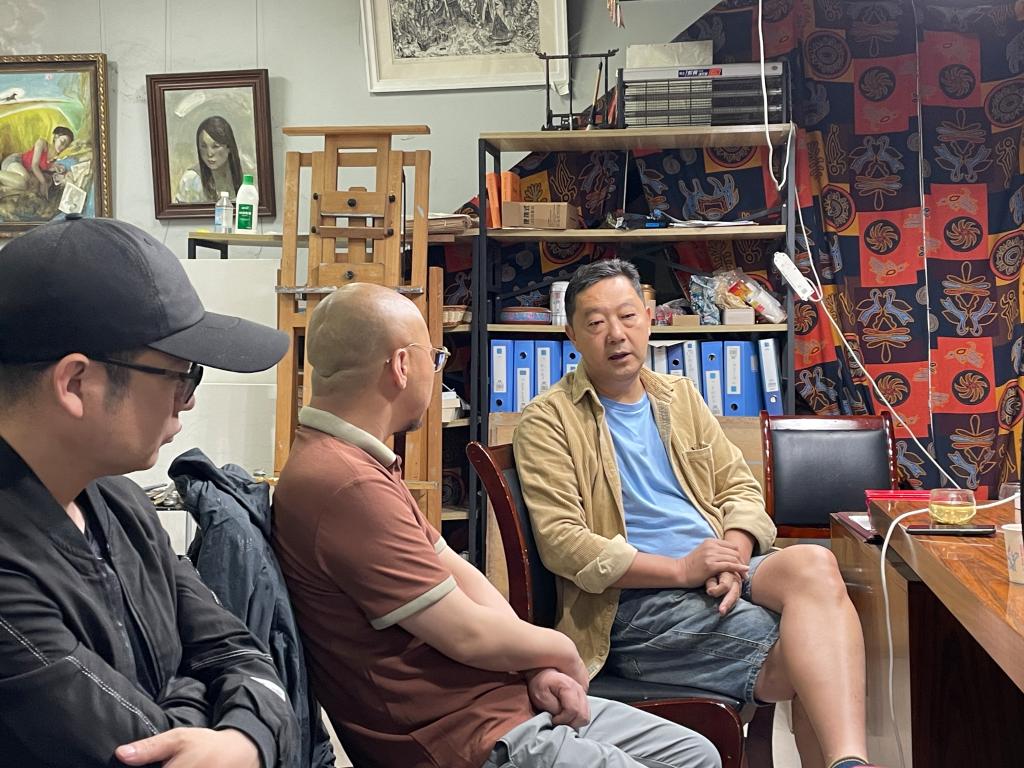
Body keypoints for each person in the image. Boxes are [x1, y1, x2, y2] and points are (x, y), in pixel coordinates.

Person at [273, 283, 721, 768]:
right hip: (467, 738)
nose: (435, 374)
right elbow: (466, 634)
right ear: (402, 366)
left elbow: (460, 573)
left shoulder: (358, 462)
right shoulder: (346, 483)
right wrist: (560, 649)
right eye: (435, 358)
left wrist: (533, 663)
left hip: (501, 701)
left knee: (696, 753)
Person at [514, 258, 879, 768]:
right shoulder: (547, 420)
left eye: (627, 316)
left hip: (715, 569)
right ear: (571, 334)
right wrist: (683, 569)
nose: (616, 334)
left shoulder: (678, 396)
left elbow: (739, 487)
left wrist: (733, 554)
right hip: (634, 603)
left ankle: (849, 762)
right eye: (595, 323)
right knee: (818, 646)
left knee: (814, 565)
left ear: (649, 318)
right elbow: (564, 543)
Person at [0, 216, 297, 767]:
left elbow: (242, 653)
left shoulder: (121, 501)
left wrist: (243, 739)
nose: (189, 400)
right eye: (180, 375)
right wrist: (206, 701)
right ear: (75, 383)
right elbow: (144, 754)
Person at [175, 115, 244, 204]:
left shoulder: (244, 176)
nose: (209, 153)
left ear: (229, 147)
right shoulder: (190, 180)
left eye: (215, 146)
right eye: (203, 146)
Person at [0, 125, 74, 196]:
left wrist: (56, 168)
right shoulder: (42, 143)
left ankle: (5, 189)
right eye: (62, 142)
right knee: (25, 181)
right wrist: (43, 182)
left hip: (23, 170)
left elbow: (47, 169)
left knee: (29, 188)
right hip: (15, 161)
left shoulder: (56, 158)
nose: (63, 147)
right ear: (55, 137)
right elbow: (34, 165)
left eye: (66, 145)